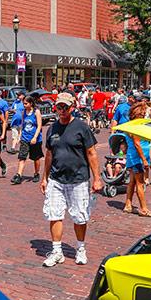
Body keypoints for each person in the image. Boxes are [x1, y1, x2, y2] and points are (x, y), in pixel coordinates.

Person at [40, 92, 102, 266]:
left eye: (65, 107)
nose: (62, 110)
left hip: (78, 179)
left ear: (72, 107)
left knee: (80, 217)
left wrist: (97, 178)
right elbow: (49, 154)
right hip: (56, 179)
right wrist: (44, 178)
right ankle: (57, 250)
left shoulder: (82, 127)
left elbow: (91, 153)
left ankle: (81, 249)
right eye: (59, 107)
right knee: (54, 214)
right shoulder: (52, 129)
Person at [123, 102, 151, 217]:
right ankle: (143, 209)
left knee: (132, 182)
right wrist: (144, 160)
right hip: (137, 157)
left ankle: (128, 204)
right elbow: (137, 144)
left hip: (135, 156)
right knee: (140, 183)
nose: (145, 115)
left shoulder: (132, 125)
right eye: (143, 113)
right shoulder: (135, 126)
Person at [11, 95, 43, 184]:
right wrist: (20, 136)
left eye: (26, 103)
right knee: (22, 157)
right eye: (23, 103)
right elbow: (22, 125)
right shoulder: (23, 112)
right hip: (25, 137)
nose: (24, 105)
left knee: (36, 158)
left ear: (31, 103)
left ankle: (36, 173)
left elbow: (39, 126)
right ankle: (19, 175)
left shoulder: (36, 112)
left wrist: (35, 137)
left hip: (35, 138)